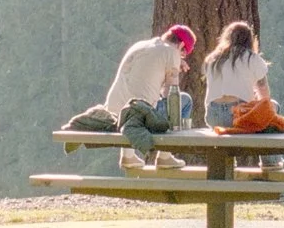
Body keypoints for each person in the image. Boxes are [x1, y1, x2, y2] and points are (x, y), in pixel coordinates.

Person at [62, 25, 196, 166]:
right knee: (184, 100)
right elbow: (170, 95)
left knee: (133, 102)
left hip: (114, 113)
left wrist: (171, 65)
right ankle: (165, 156)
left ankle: (128, 156)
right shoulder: (172, 53)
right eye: (183, 53)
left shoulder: (141, 45)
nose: (182, 56)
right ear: (181, 44)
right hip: (138, 116)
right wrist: (174, 69)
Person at [203, 20, 270, 128]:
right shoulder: (251, 58)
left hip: (212, 115)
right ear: (249, 39)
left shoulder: (213, 59)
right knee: (275, 106)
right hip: (239, 114)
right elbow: (263, 90)